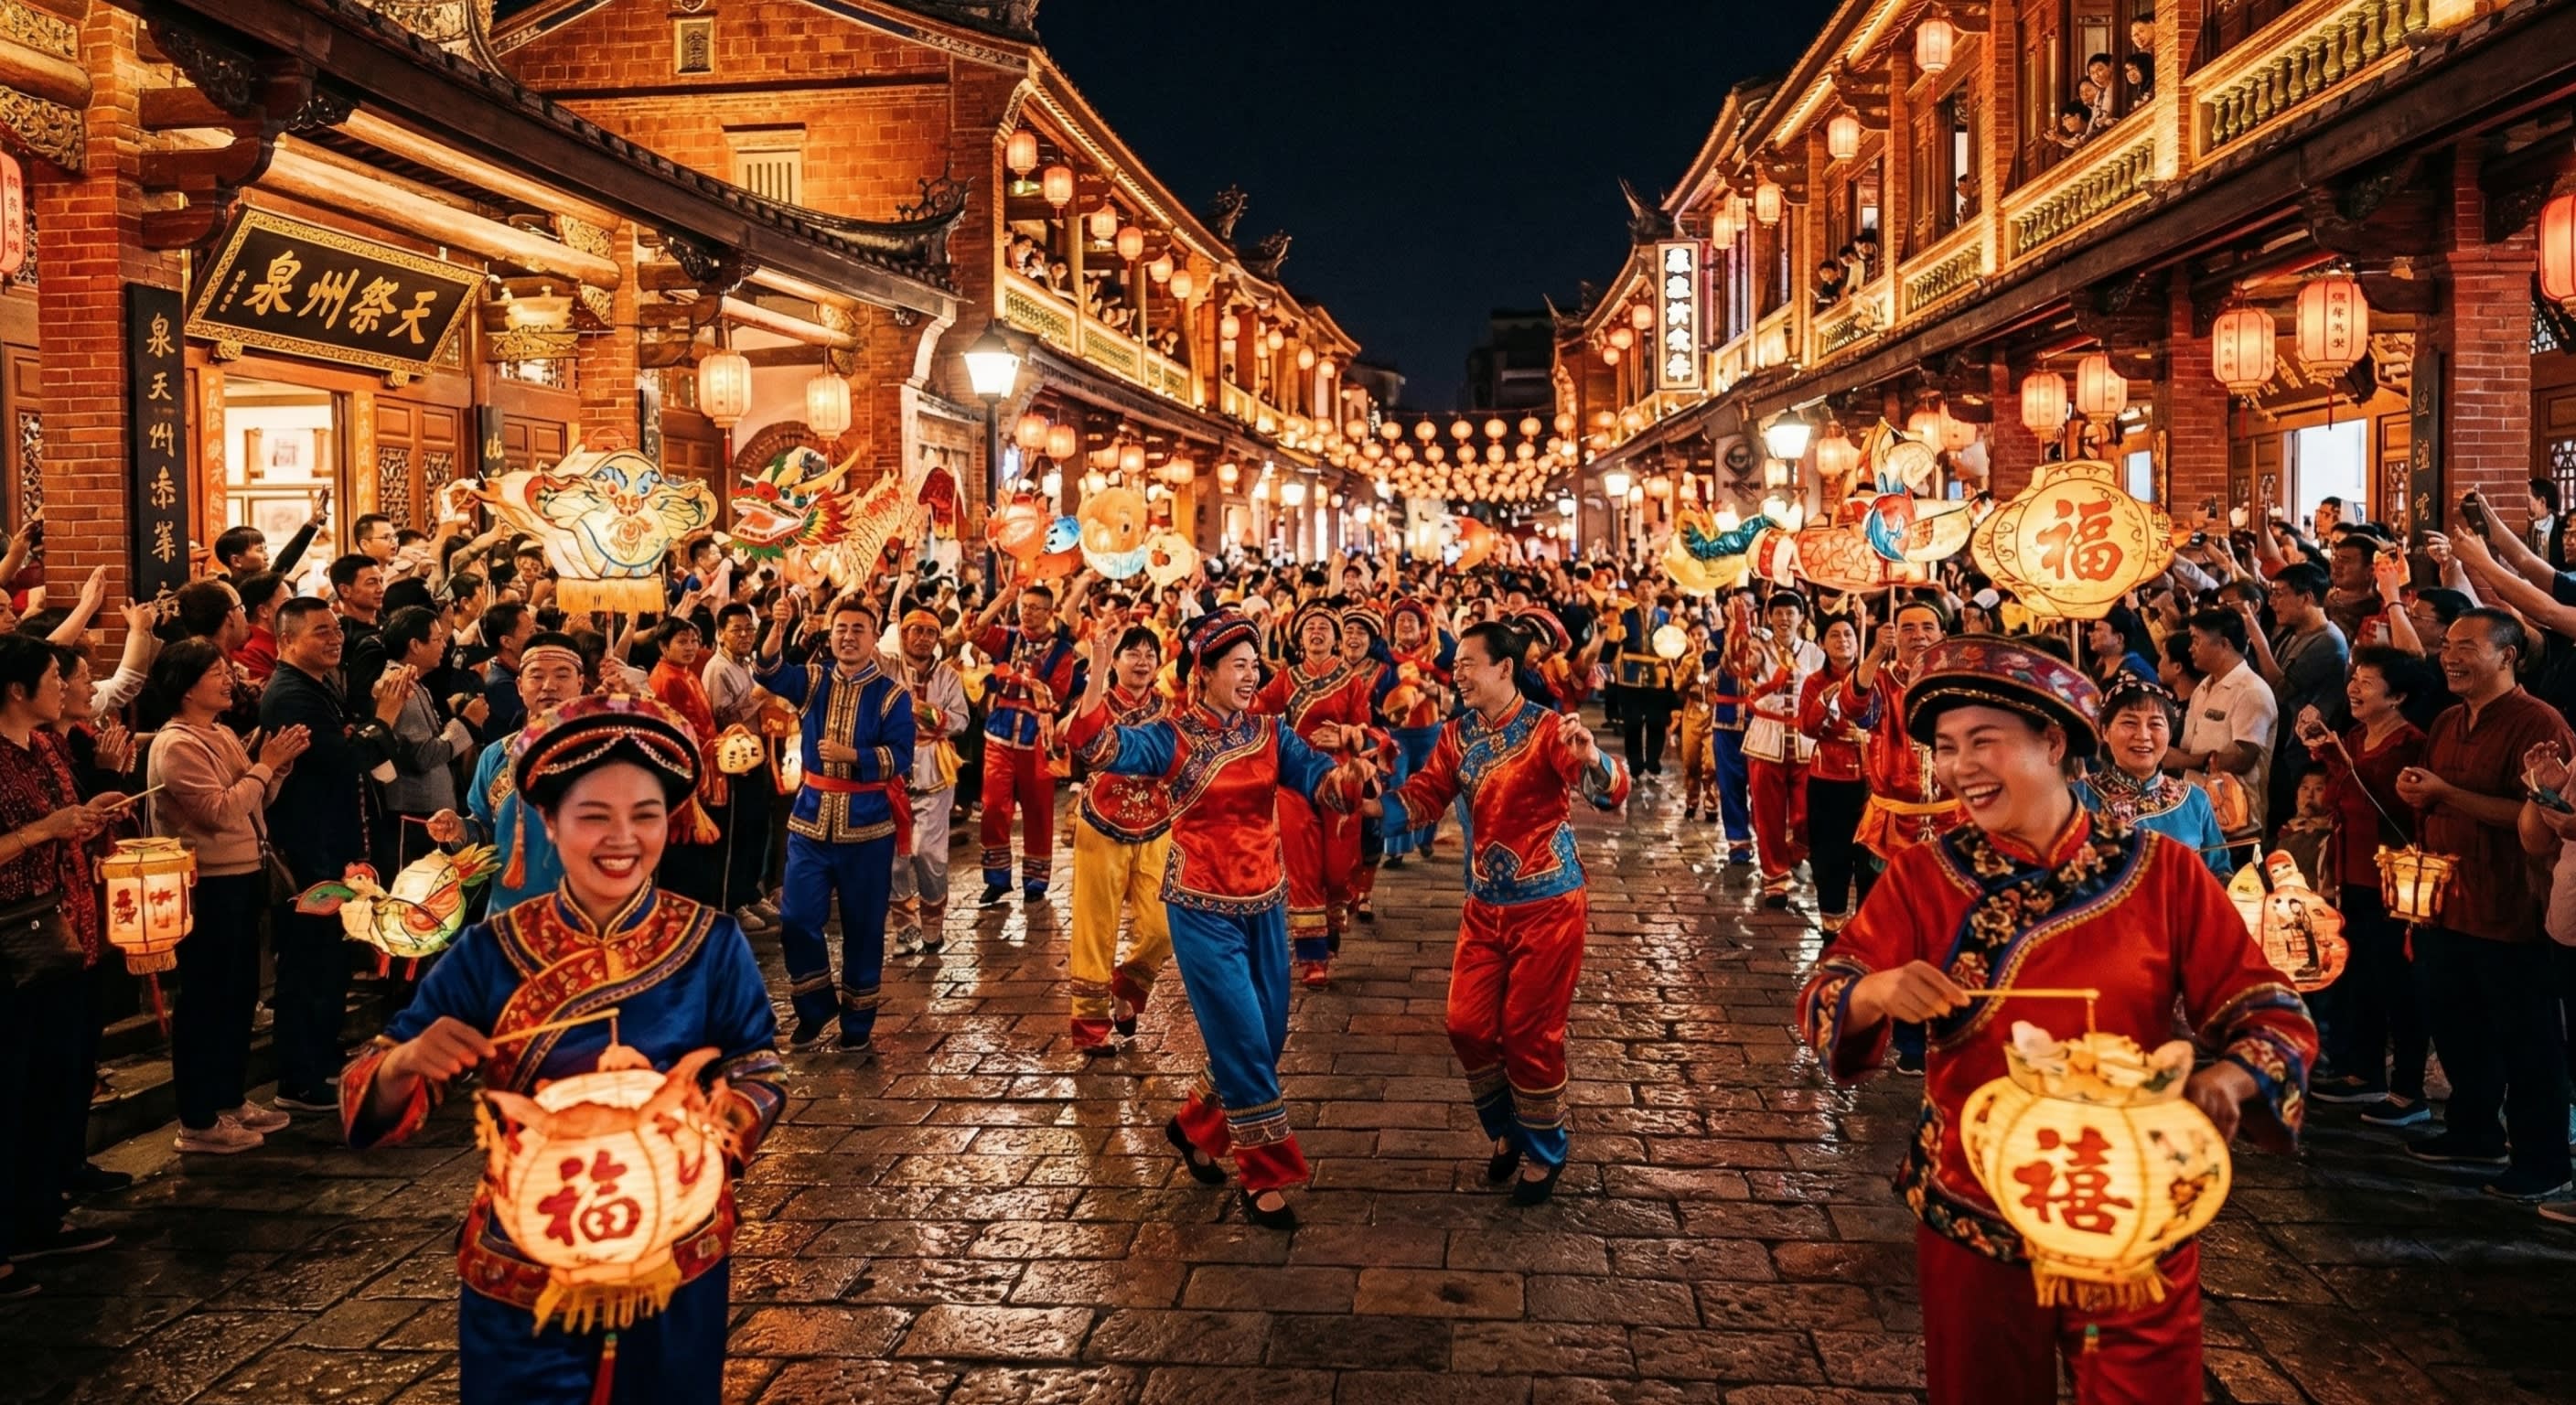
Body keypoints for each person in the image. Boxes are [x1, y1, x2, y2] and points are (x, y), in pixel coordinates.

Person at [1795, 636, 2316, 1405]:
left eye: (1985, 743)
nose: (1961, 766)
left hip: (2132, 1201)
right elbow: (1825, 991)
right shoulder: (1922, 877)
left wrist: (2232, 1080)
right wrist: (1878, 992)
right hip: (1976, 1205)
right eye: (1945, 748)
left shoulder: (2164, 872)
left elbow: (2269, 1007)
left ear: (2054, 740)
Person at [339, 692, 785, 1405]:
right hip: (526, 1253)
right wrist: (404, 1062)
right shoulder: (490, 952)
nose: (622, 839)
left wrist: (717, 1121)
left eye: (644, 816)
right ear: (546, 823)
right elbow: (369, 1086)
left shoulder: (710, 941)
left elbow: (758, 1065)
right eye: (593, 816)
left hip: (673, 1247)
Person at [1064, 611, 1367, 1229]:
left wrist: (1350, 775)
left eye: (1256, 665)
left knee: (1269, 1036)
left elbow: (1320, 782)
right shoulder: (1171, 735)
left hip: (1265, 901)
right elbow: (1093, 743)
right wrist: (1097, 670)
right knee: (1244, 1037)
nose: (1251, 676)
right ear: (1204, 673)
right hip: (1200, 906)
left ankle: (1197, 1127)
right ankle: (1265, 1176)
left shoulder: (1271, 732)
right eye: (1239, 666)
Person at [1361, 619, 1627, 1203]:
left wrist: (1595, 761)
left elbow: (1610, 795)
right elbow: (1429, 793)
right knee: (1467, 1025)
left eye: (1468, 667)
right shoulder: (1456, 735)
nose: (1457, 678)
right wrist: (1372, 806)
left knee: (1530, 1032)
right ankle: (1509, 1128)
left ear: (1504, 668)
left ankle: (1544, 1149)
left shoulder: (1550, 729)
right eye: (1454, 668)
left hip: (1549, 902)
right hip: (1485, 904)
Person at [2393, 609, 2574, 1201]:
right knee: (2456, 1024)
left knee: (2525, 1041)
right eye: (2447, 645)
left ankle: (2542, 1159)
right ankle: (2471, 1129)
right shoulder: (2447, 719)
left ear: (2508, 655)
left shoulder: (2537, 723)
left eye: (2467, 646)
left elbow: (2535, 820)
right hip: (2446, 899)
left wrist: (2447, 793)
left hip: (2509, 905)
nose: (2449, 656)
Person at [142, 639, 310, 1153]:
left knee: (239, 995)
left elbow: (256, 802)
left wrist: (275, 768)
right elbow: (219, 810)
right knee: (205, 1000)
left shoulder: (219, 734)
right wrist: (264, 764)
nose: (229, 679)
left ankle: (230, 1100)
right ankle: (197, 1119)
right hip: (207, 884)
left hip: (242, 874)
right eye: (217, 673)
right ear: (187, 686)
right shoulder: (177, 745)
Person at [0, 635, 128, 1279]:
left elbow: (61, 819)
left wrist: (89, 812)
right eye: (55, 676)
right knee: (14, 1084)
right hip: (7, 936)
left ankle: (40, 1213)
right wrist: (42, 831)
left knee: (55, 1074)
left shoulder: (46, 745)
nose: (66, 686)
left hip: (58, 925)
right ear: (18, 691)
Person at [261, 598, 408, 1113]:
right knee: (308, 963)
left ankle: (320, 1060)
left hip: (332, 847)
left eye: (334, 631)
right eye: (320, 632)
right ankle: (299, 1078)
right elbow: (347, 760)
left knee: (328, 963)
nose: (334, 639)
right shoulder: (290, 696)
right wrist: (384, 718)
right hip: (309, 852)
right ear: (287, 640)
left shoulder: (317, 687)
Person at [757, 594, 914, 1055]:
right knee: (796, 919)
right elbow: (768, 672)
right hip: (809, 822)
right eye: (841, 629)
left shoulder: (892, 696)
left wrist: (855, 758)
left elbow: (901, 757)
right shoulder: (813, 681)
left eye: (858, 630)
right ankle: (814, 1007)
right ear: (830, 634)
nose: (848, 637)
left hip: (868, 827)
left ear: (873, 636)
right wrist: (777, 626)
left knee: (863, 926)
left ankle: (858, 1019)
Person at [2295, 648, 2435, 1123]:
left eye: (2368, 682)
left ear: (2397, 696)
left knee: (2400, 986)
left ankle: (2407, 1093)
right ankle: (2364, 1073)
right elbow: (2339, 799)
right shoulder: (2354, 736)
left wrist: (2337, 759)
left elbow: (2389, 803)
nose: (2354, 687)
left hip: (2395, 883)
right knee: (2361, 980)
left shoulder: (2410, 744)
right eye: (2354, 678)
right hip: (2351, 877)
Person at [1066, 625, 1176, 1054]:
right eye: (1132, 653)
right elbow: (1080, 738)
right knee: (1095, 927)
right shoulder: (1100, 702)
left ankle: (1125, 987)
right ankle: (1090, 1026)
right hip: (1102, 824)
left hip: (1156, 825)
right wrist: (1096, 667)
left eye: (1150, 653)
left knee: (1163, 929)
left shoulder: (1169, 709)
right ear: (1116, 661)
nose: (1142, 660)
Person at [1255, 602, 1372, 985]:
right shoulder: (1286, 679)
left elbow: (1370, 733)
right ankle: (1313, 958)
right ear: (1299, 638)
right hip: (1293, 776)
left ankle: (1334, 914)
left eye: (1324, 627)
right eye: (1309, 628)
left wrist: (1346, 734)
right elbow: (1255, 711)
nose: (1316, 632)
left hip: (1338, 777)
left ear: (1336, 638)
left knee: (1338, 866)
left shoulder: (1351, 681)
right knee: (1302, 862)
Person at [435, 635, 588, 913]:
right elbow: (484, 830)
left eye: (562, 675)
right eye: (536, 676)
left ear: (580, 682)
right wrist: (458, 830)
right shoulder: (495, 756)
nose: (548, 686)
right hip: (510, 914)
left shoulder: (608, 755)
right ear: (519, 686)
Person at [965, 574, 1089, 905]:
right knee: (993, 806)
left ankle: (1036, 880)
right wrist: (1001, 601)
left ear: (1051, 612)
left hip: (1038, 739)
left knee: (1038, 809)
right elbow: (974, 632)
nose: (1028, 613)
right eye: (1024, 606)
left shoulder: (1063, 651)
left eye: (1036, 608)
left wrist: (1013, 677)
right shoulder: (1007, 638)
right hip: (1000, 733)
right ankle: (996, 878)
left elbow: (1057, 694)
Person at [2075, 680, 2232, 875]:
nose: (2143, 735)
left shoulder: (2195, 800)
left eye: (2155, 724)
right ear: (2105, 731)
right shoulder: (2079, 796)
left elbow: (2219, 873)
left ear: (2169, 733)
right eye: (2129, 723)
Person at [886, 608, 969, 956]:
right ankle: (905, 927)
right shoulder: (887, 667)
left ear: (938, 639)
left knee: (928, 854)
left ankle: (933, 923)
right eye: (914, 630)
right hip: (891, 772)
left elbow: (961, 720)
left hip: (934, 772)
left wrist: (922, 711)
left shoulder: (948, 675)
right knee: (893, 856)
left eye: (929, 632)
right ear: (902, 634)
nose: (922, 638)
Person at [2170, 607, 2277, 846]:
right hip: (2198, 813)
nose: (2190, 648)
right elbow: (2190, 747)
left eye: (2196, 640)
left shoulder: (2251, 691)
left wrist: (2180, 760)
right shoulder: (2203, 687)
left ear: (2224, 643)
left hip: (2237, 822)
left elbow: (2243, 759)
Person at [1744, 591, 1824, 908]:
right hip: (1766, 739)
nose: (1784, 619)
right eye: (1778, 613)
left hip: (1805, 742)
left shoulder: (1815, 653)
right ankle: (1775, 878)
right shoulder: (1757, 648)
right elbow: (1740, 669)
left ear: (1801, 618)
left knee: (1808, 815)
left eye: (1791, 613)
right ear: (1769, 617)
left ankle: (1795, 852)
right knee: (1768, 816)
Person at [1798, 613, 1869, 931]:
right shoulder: (1814, 682)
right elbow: (1808, 728)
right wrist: (1826, 699)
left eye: (1849, 635)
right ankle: (1832, 923)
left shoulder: (1875, 677)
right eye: (1835, 636)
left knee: (1868, 856)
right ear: (1823, 644)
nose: (1844, 641)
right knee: (1828, 855)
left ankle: (1868, 927)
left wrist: (1866, 737)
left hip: (1869, 778)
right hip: (1827, 777)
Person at [1381, 597, 1454, 863]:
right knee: (1396, 784)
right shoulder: (1386, 657)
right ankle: (1396, 848)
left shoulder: (1438, 654)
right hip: (1397, 733)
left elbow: (1454, 689)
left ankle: (1425, 837)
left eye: (1411, 619)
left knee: (1429, 786)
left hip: (1429, 732)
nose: (1405, 624)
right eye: (1400, 620)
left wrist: (1430, 689)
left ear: (1422, 626)